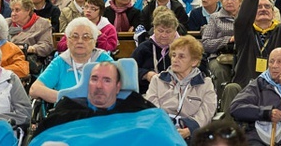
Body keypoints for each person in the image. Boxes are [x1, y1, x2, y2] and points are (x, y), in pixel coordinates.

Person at [32, 61, 183, 145]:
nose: (99, 86)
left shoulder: (141, 110)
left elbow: (164, 137)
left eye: (106, 80)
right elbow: (42, 139)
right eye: (94, 79)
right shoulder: (66, 111)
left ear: (118, 87)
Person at [146, 36, 217, 140]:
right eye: (173, 55)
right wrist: (164, 127)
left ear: (194, 61)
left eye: (181, 56)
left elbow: (206, 112)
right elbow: (151, 107)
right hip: (161, 130)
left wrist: (190, 130)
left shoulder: (205, 84)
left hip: (191, 133)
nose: (175, 60)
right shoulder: (158, 80)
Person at [29, 17, 113, 103]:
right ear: (67, 41)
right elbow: (34, 89)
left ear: (94, 41)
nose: (80, 41)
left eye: (86, 37)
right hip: (67, 112)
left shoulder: (103, 60)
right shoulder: (60, 61)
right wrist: (65, 98)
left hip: (98, 111)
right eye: (75, 37)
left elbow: (120, 86)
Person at [201, 0, 244, 99]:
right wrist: (228, 40)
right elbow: (206, 43)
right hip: (219, 56)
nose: (229, 1)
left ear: (240, 1)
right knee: (220, 71)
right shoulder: (215, 18)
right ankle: (222, 104)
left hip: (242, 56)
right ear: (221, 1)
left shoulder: (246, 17)